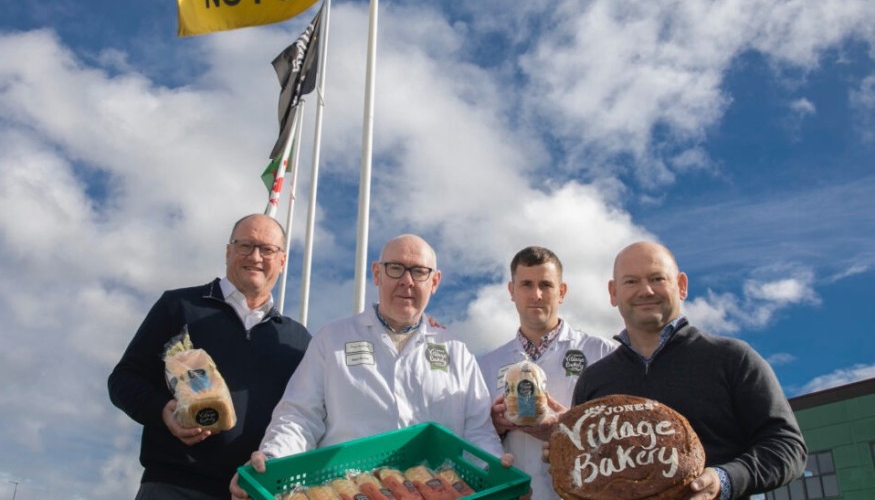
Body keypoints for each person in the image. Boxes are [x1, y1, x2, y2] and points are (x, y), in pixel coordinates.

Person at [230, 233, 508, 499]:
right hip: (350, 492)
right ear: (377, 273)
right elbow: (300, 417)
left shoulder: (456, 351)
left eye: (419, 272)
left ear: (434, 281)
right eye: (396, 268)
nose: (407, 281)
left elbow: (478, 432)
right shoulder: (333, 338)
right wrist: (272, 460)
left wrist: (497, 475)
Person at [568, 241, 807, 500]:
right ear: (613, 293)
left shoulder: (732, 358)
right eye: (631, 282)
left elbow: (787, 447)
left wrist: (724, 479)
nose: (645, 290)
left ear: (681, 285)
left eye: (657, 278)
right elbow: (583, 471)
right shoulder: (594, 380)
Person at [108, 214, 312, 500]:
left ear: (282, 260)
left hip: (251, 490)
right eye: (245, 246)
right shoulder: (178, 306)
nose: (255, 257)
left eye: (267, 249)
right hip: (172, 487)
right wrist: (162, 412)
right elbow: (123, 380)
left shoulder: (299, 340)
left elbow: (305, 415)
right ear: (228, 252)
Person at [477, 246, 616, 500]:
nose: (536, 295)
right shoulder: (485, 365)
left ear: (561, 292)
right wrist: (494, 426)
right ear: (512, 291)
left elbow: (623, 433)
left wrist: (571, 427)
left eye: (546, 285)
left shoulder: (603, 353)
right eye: (526, 285)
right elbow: (473, 437)